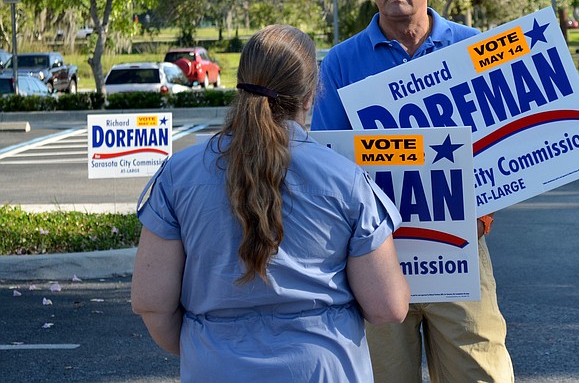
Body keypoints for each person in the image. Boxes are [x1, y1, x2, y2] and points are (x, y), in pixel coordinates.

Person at [131, 25, 410, 382]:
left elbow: (151, 301)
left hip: (214, 367)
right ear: (310, 96)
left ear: (240, 85)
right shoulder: (347, 179)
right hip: (321, 369)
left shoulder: (177, 175)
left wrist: (211, 350)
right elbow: (388, 306)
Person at [311, 0, 514, 383]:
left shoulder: (474, 49)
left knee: (482, 374)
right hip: (372, 260)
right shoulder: (341, 63)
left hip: (458, 249)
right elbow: (329, 163)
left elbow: (506, 146)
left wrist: (488, 205)